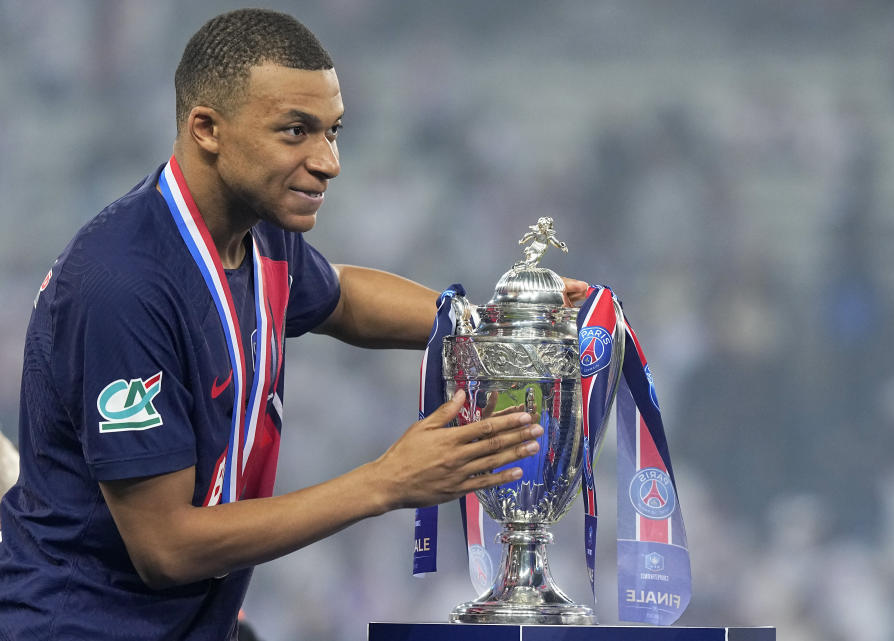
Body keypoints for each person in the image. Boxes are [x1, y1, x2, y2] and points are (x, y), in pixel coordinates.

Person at [0, 9, 588, 641]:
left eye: (332, 132)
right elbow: (165, 547)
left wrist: (494, 328)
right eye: (295, 132)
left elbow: (342, 299)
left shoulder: (257, 233)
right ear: (207, 129)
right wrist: (386, 483)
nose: (328, 161)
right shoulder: (124, 285)